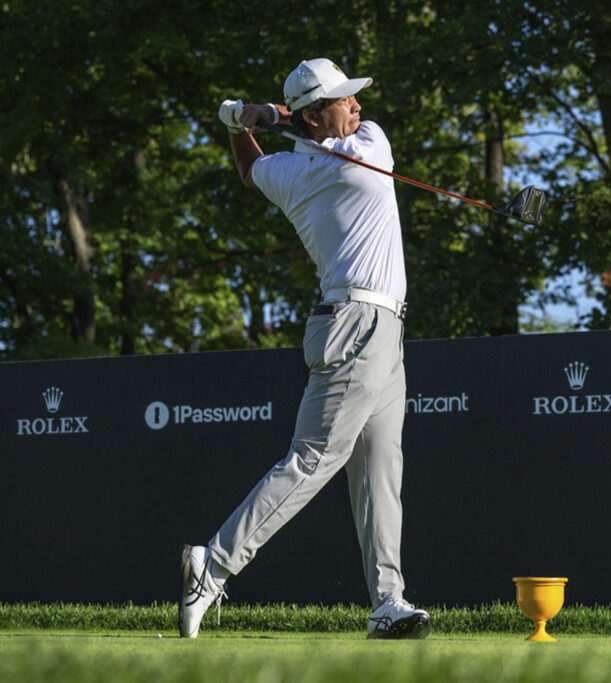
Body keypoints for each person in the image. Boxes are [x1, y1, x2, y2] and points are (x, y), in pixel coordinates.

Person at [179, 58, 429, 640]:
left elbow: (251, 173)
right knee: (314, 458)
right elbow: (285, 143)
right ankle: (211, 565)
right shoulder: (360, 147)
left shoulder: (292, 171)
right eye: (345, 100)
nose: (359, 107)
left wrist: (240, 125)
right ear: (319, 115)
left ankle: (388, 603)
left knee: (379, 469)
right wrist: (258, 117)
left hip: (381, 328)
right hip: (355, 322)